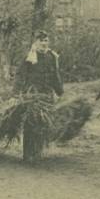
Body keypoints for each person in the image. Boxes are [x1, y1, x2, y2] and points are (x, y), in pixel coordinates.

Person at [14, 30, 63, 163]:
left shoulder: (52, 56)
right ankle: (28, 154)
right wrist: (17, 92)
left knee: (43, 123)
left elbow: (55, 75)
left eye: (46, 40)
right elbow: (20, 75)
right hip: (32, 94)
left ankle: (38, 153)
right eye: (41, 40)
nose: (43, 43)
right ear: (35, 42)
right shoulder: (29, 56)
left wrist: (60, 92)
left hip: (47, 95)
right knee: (31, 123)